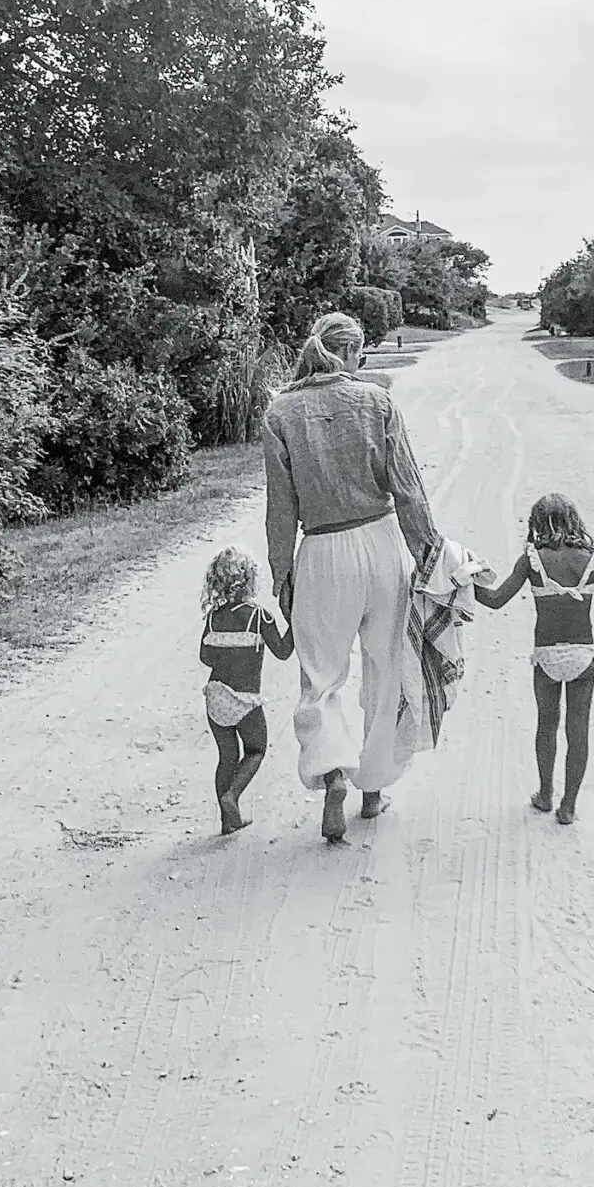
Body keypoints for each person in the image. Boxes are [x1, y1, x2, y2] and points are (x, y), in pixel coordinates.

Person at [262, 309, 442, 845]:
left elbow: (281, 508)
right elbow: (406, 487)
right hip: (382, 543)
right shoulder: (376, 402)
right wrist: (429, 554)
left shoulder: (280, 412)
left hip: (322, 551)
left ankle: (333, 771)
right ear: (353, 352)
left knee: (322, 676)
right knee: (386, 670)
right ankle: (372, 788)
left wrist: (282, 574)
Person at [475, 492, 594, 824]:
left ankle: (545, 794)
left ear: (537, 524)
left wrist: (462, 583)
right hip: (582, 657)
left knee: (547, 725)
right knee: (578, 729)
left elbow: (497, 599)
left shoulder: (532, 560)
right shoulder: (592, 560)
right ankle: (568, 806)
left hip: (546, 658)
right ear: (574, 521)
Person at [198, 547, 294, 835]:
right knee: (255, 749)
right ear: (251, 581)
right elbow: (283, 651)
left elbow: (205, 657)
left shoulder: (213, 618)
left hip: (216, 697)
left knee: (226, 757)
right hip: (246, 700)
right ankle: (233, 795)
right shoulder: (259, 617)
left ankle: (229, 821)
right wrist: (293, 620)